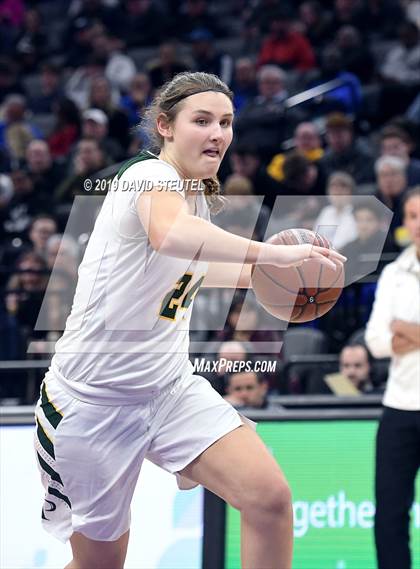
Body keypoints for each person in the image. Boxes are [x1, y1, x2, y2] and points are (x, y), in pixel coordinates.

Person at [34, 71, 345, 569]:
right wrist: (272, 254)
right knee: (100, 565)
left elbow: (191, 270)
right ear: (165, 127)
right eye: (202, 120)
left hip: (169, 390)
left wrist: (282, 274)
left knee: (269, 500)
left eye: (225, 122)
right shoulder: (147, 176)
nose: (218, 132)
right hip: (93, 404)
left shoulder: (194, 192)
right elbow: (171, 236)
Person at [365, 187, 420, 569]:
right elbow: (376, 341)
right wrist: (397, 334)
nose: (419, 224)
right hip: (399, 407)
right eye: (414, 215)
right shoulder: (393, 273)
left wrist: (408, 330)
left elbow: (395, 335)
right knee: (389, 513)